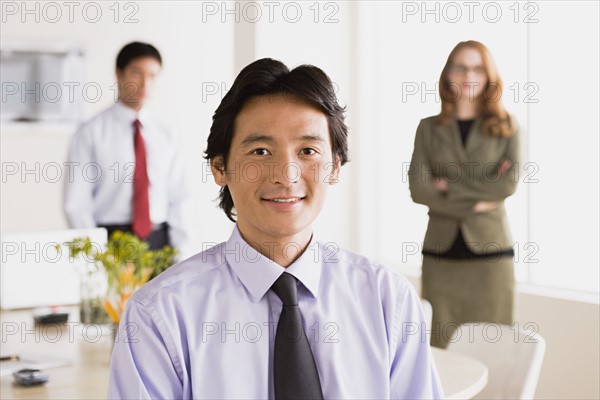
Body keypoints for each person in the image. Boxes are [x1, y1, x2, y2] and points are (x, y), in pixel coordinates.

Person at [108, 58, 443, 399]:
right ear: (220, 168)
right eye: (261, 150)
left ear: (335, 167)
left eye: (308, 150)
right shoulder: (159, 315)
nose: (287, 174)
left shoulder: (388, 301)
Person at [408, 40, 520, 348]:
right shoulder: (428, 128)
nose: (468, 74)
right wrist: (480, 198)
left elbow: (507, 185)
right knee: (439, 349)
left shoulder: (508, 126)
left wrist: (448, 187)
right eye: (460, 66)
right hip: (440, 257)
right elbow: (418, 189)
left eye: (477, 67)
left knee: (494, 347)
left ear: (489, 75)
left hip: (491, 256)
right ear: (448, 73)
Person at [63, 42, 192, 256]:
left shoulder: (167, 136)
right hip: (110, 242)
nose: (144, 84)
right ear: (119, 73)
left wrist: (181, 254)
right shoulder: (90, 132)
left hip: (159, 241)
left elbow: (180, 197)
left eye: (152, 76)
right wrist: (97, 255)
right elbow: (76, 204)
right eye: (136, 73)